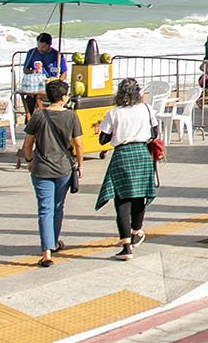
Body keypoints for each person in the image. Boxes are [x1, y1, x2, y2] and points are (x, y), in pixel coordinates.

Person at [95, 78, 160, 261]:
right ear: (138, 93)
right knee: (140, 195)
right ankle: (137, 231)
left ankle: (126, 246)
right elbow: (155, 133)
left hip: (123, 155)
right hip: (142, 154)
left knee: (122, 201)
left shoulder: (113, 113)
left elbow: (103, 140)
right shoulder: (147, 109)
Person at [21, 79, 82, 268]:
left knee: (44, 209)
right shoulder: (71, 117)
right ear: (64, 97)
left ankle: (47, 252)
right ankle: (54, 242)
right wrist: (80, 165)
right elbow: (78, 144)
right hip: (63, 168)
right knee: (57, 207)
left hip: (41, 168)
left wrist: (30, 161)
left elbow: (28, 144)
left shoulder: (38, 116)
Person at [22, 32, 69, 123]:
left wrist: (58, 82)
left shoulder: (57, 55)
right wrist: (33, 72)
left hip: (51, 86)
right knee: (30, 102)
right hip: (35, 85)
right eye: (38, 46)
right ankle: (29, 123)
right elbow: (25, 69)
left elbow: (64, 73)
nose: (40, 49)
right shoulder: (32, 53)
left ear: (49, 45)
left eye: (43, 47)